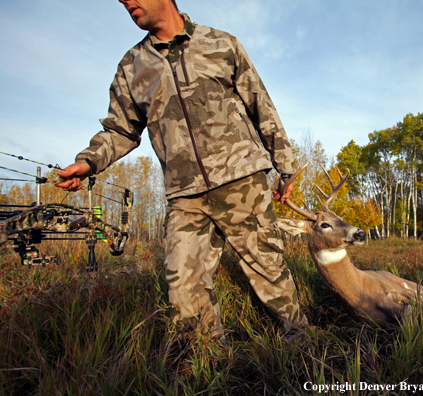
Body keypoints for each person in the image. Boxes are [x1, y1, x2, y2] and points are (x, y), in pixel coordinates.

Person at [56, 0, 308, 339]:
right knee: (183, 287)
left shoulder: (221, 43)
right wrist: (89, 162)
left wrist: (286, 166)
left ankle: (302, 343)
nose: (124, 2)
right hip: (184, 194)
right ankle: (205, 363)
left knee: (269, 268)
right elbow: (121, 130)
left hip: (241, 180)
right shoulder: (132, 66)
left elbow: (259, 104)